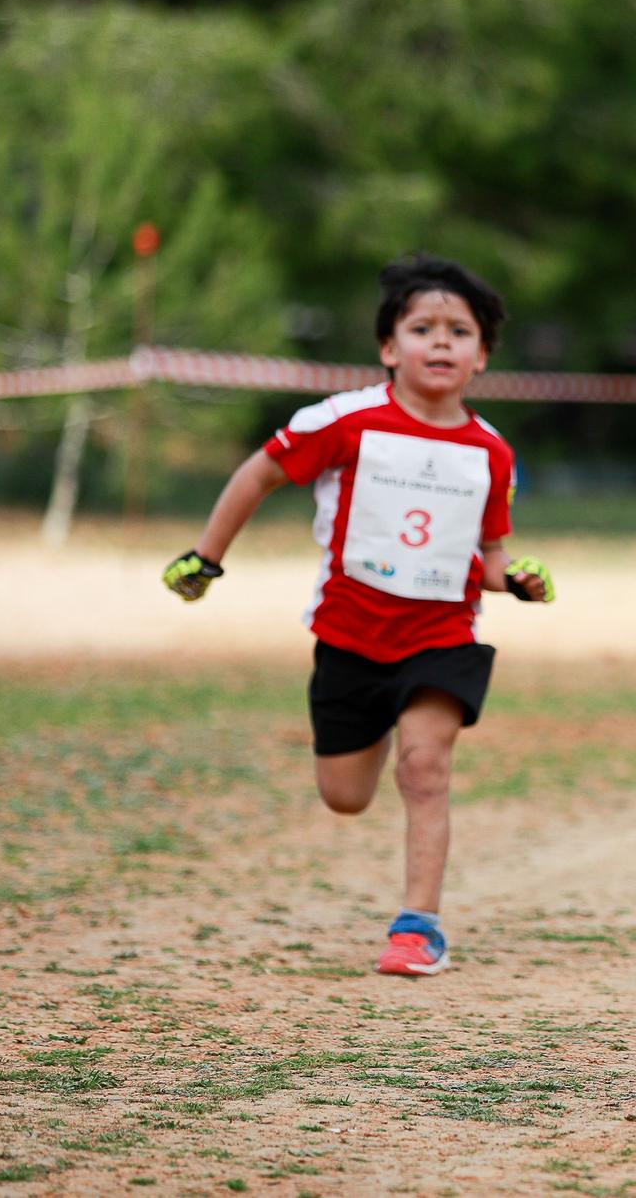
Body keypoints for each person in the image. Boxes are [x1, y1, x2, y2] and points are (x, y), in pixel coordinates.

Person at [160, 254, 554, 977]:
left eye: (459, 331)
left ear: (482, 356)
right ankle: (377, 723)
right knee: (345, 796)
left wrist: (517, 580)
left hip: (442, 636)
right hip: (349, 635)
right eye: (422, 327)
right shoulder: (344, 421)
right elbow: (260, 472)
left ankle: (418, 926)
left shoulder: (491, 452)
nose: (441, 342)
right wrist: (207, 557)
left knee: (426, 767)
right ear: (387, 347)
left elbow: (491, 556)